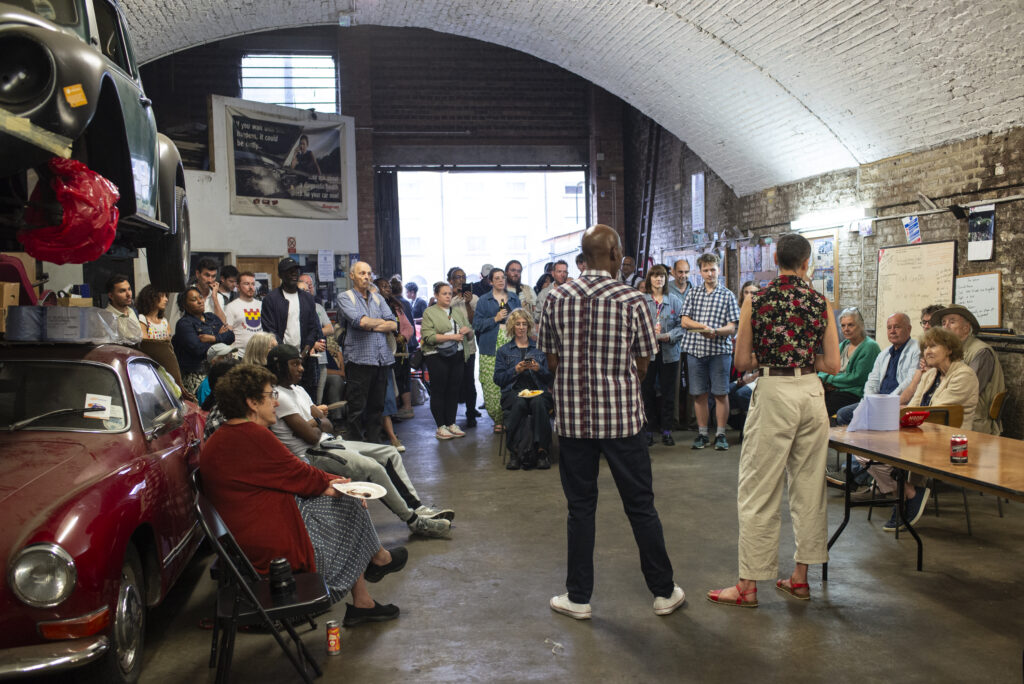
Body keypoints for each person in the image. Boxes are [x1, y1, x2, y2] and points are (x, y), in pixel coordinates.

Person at [539, 224, 685, 621]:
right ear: (616, 254)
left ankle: (578, 598)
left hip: (574, 423)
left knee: (580, 509)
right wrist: (618, 381)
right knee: (640, 506)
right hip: (622, 421)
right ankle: (663, 592)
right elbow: (644, 362)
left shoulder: (556, 297)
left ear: (583, 257)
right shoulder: (633, 299)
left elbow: (551, 360)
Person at [200, 363, 402, 626]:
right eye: (270, 395)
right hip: (268, 548)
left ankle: (367, 589)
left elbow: (290, 474)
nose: (276, 402)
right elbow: (298, 474)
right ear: (252, 403)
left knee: (343, 498)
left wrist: (333, 484)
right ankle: (375, 563)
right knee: (347, 503)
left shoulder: (229, 434)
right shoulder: (250, 435)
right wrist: (338, 484)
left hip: (247, 538)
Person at [707, 232, 839, 608]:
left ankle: (748, 585)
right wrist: (803, 357)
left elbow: (742, 361)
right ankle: (800, 578)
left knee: (759, 487)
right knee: (809, 487)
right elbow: (833, 364)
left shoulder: (757, 299)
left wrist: (773, 356)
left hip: (774, 391)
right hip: (811, 393)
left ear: (775, 259)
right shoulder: (821, 302)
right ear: (806, 263)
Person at [264, 345, 453, 538]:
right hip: (313, 453)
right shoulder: (280, 396)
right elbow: (311, 436)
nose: (301, 368)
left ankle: (417, 507)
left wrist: (314, 423)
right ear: (279, 367)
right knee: (374, 468)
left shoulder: (298, 390)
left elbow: (329, 424)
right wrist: (318, 422)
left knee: (390, 453)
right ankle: (413, 520)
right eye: (294, 364)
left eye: (300, 363)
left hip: (329, 442)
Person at [871, 326, 979, 532]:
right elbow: (913, 407)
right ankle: (908, 493)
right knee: (865, 453)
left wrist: (902, 414)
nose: (927, 351)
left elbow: (935, 412)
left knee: (880, 449)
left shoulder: (964, 375)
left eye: (933, 346)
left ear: (949, 349)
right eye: (925, 347)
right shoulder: (930, 375)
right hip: (923, 435)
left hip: (955, 444)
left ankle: (906, 495)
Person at [679, 252, 740, 450]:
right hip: (695, 351)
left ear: (718, 270)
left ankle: (720, 434)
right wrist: (703, 327)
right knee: (699, 394)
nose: (709, 274)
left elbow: (732, 327)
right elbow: (684, 320)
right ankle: (703, 434)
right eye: (705, 270)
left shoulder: (727, 295)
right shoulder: (693, 293)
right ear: (700, 272)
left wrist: (715, 331)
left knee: (721, 393)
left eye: (712, 269)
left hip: (719, 351)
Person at [337, 261, 397, 443]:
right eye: (362, 273)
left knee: (377, 408)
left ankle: (375, 444)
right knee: (356, 409)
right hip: (359, 361)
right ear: (352, 276)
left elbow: (393, 324)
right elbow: (359, 321)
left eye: (369, 273)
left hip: (381, 360)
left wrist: (371, 324)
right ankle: (357, 447)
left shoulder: (378, 298)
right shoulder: (345, 297)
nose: (366, 277)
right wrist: (380, 323)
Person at [833, 313, 920, 427]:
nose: (892, 331)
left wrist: (885, 403)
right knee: (843, 414)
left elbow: (909, 382)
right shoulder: (884, 354)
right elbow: (872, 381)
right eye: (889, 328)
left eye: (897, 327)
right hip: (877, 402)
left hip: (899, 403)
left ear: (909, 329)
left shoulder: (917, 350)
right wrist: (871, 402)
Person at [494, 309, 553, 470]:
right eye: (518, 324)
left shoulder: (538, 350)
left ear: (529, 326)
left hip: (537, 391)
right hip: (513, 393)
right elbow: (498, 379)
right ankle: (515, 452)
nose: (521, 327)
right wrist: (515, 370)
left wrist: (539, 369)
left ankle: (541, 451)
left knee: (538, 403)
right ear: (512, 327)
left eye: (524, 324)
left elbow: (549, 379)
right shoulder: (504, 351)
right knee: (519, 403)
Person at [934, 304, 1005, 435]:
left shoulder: (981, 352)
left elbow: (964, 392)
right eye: (943, 322)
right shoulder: (948, 351)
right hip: (949, 415)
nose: (946, 326)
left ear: (966, 328)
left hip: (973, 422)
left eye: (952, 322)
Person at [261, 258, 325, 400]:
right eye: (289, 271)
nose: (294, 274)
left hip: (305, 359)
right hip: (281, 360)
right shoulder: (271, 299)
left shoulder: (307, 298)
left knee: (308, 399)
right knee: (283, 399)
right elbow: (270, 330)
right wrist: (287, 355)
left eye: (295, 270)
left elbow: (313, 328)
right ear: (280, 275)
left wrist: (304, 353)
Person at [420, 281, 474, 440]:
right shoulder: (429, 312)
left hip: (458, 353)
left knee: (453, 390)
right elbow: (428, 337)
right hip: (436, 355)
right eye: (444, 293)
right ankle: (440, 426)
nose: (448, 296)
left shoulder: (456, 311)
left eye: (450, 293)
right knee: (439, 390)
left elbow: (470, 335)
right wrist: (452, 337)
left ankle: (451, 423)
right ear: (436, 295)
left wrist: (467, 331)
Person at [641, 265, 685, 446]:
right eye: (655, 276)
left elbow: (683, 325)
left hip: (669, 352)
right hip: (647, 353)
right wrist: (648, 335)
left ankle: (667, 430)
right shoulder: (642, 301)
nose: (659, 279)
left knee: (668, 392)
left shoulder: (674, 300)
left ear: (666, 279)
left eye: (662, 276)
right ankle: (649, 431)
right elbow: (635, 324)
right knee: (647, 392)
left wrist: (670, 335)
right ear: (649, 279)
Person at [473, 267, 521, 432]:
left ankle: (511, 418)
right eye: (497, 278)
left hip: (512, 345)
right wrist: (495, 319)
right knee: (491, 384)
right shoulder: (484, 300)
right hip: (490, 347)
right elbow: (477, 325)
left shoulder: (514, 298)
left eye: (503, 277)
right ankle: (498, 420)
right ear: (491, 281)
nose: (501, 280)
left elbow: (522, 321)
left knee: (513, 381)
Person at [818, 307, 880, 421]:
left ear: (860, 325)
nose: (846, 329)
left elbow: (856, 378)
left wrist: (830, 379)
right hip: (836, 390)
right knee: (811, 402)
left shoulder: (870, 346)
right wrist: (822, 379)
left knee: (820, 409)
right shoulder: (843, 345)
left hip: (854, 394)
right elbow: (827, 367)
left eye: (851, 325)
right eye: (843, 326)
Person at [172, 286, 234, 394]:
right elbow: (198, 349)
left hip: (218, 369)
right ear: (185, 305)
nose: (200, 301)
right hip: (197, 373)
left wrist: (212, 338)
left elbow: (230, 336)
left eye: (200, 297)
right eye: (194, 299)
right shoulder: (184, 324)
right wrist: (220, 338)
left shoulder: (212, 317)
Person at [447, 267, 480, 427]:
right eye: (457, 277)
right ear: (450, 281)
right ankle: (450, 418)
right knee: (452, 382)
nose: (461, 280)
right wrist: (453, 297)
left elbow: (474, 322)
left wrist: (467, 303)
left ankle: (471, 413)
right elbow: (443, 317)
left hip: (468, 346)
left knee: (469, 382)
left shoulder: (474, 299)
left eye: (463, 277)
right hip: (450, 346)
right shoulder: (446, 297)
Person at [299, 273, 335, 403]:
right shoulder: (293, 308)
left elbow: (330, 329)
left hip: (321, 359)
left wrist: (315, 335)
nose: (308, 289)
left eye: (310, 286)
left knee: (317, 401)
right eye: (304, 286)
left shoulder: (318, 307)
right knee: (304, 400)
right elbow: (296, 334)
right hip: (304, 359)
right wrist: (312, 342)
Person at [166, 257, 219, 329]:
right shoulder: (184, 293)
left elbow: (222, 323)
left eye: (213, 276)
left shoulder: (217, 296)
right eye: (207, 275)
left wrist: (215, 298)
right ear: (197, 274)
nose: (210, 280)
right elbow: (173, 321)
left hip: (212, 335)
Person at [223, 271, 263, 352]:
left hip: (260, 353)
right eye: (246, 284)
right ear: (238, 287)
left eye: (253, 284)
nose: (251, 287)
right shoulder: (231, 307)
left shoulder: (262, 305)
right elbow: (228, 334)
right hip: (240, 354)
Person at [104, 274, 142, 344]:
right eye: (122, 291)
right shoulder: (105, 317)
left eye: (129, 289)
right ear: (111, 296)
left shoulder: (132, 311)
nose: (128, 294)